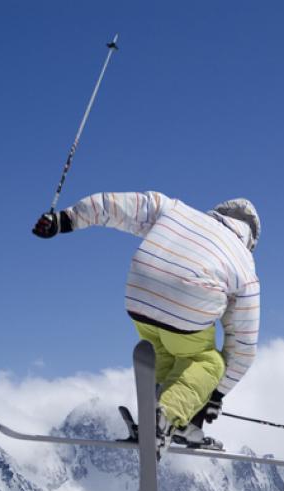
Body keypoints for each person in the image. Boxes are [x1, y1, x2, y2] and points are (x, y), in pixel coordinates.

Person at [32, 192, 260, 457]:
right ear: (250, 239)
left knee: (165, 353)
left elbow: (116, 206)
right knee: (208, 363)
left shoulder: (177, 211)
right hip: (188, 303)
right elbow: (242, 344)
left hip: (140, 295)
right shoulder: (244, 263)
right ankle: (165, 418)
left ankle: (168, 419)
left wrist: (65, 220)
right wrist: (215, 393)